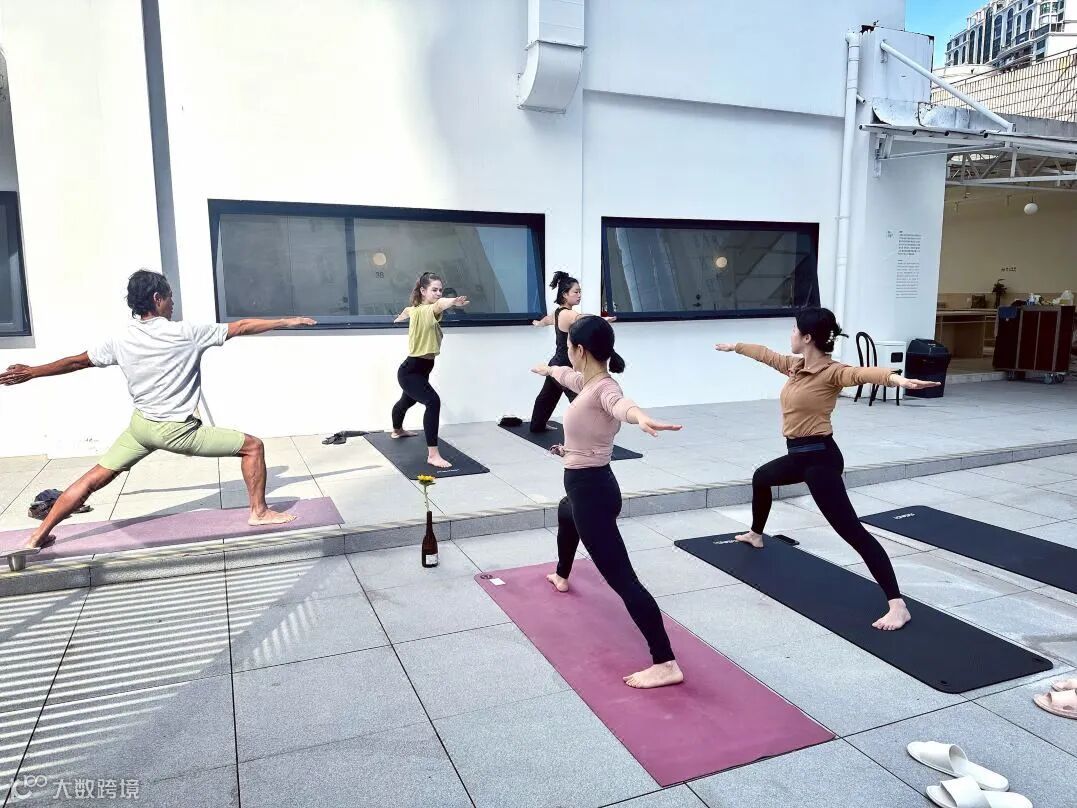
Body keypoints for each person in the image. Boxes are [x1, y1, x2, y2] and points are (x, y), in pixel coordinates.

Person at [0, 269, 316, 554]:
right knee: (253, 447)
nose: (173, 304)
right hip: (176, 431)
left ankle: (37, 536)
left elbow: (75, 362)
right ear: (157, 298)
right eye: (170, 297)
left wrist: (33, 371)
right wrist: (288, 321)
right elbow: (242, 326)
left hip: (141, 428)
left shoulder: (120, 339)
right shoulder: (186, 332)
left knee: (91, 480)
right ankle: (259, 512)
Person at [715, 307, 940, 631]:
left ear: (807, 337)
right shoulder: (796, 366)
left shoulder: (832, 372)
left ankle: (897, 605)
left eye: (795, 330)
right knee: (762, 478)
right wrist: (735, 347)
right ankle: (755, 534)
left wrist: (897, 379)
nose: (791, 335)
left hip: (820, 460)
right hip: (799, 456)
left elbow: (862, 374)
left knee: (851, 531)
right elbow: (765, 355)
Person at [532, 315, 683, 688]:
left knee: (624, 581)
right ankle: (562, 574)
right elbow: (567, 377)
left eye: (568, 347)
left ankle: (665, 662)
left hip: (593, 493)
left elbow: (620, 405)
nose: (567, 354)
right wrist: (548, 370)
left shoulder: (604, 389)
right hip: (591, 486)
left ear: (580, 350)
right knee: (565, 513)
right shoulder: (588, 382)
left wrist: (640, 417)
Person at [391, 272, 469, 468]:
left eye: (440, 290)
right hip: (411, 370)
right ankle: (433, 455)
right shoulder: (428, 310)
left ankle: (397, 430)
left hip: (421, 369)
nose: (438, 293)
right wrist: (452, 301)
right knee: (433, 402)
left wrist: (399, 318)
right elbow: (440, 304)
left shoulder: (415, 310)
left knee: (406, 401)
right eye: (434, 290)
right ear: (423, 291)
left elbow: (407, 311)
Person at [529, 271, 614, 432]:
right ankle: (591, 430)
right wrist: (601, 320)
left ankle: (537, 426)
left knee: (547, 397)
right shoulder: (568, 314)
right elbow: (583, 319)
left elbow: (547, 320)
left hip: (556, 362)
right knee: (579, 398)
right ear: (565, 294)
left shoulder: (558, 312)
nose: (579, 295)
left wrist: (538, 323)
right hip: (565, 364)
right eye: (576, 292)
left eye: (580, 291)